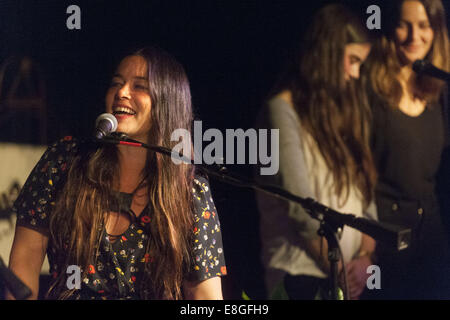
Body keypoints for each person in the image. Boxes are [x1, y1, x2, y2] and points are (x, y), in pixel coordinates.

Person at [7, 46, 227, 300]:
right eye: (116, 83)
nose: (122, 93)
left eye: (139, 86)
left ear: (167, 102)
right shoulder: (65, 161)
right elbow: (24, 264)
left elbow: (205, 297)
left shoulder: (189, 192)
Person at [255, 4, 378, 300]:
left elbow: (368, 203)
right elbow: (302, 212)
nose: (356, 73)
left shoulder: (347, 114)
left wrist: (365, 260)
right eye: (352, 60)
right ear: (327, 53)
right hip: (300, 279)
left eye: (361, 63)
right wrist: (341, 272)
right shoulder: (282, 112)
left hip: (346, 281)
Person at [365, 0, 450, 299]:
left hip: (432, 243)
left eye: (424, 25)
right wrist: (364, 250)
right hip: (382, 245)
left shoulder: (437, 89)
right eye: (405, 24)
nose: (415, 36)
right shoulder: (368, 88)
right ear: (389, 26)